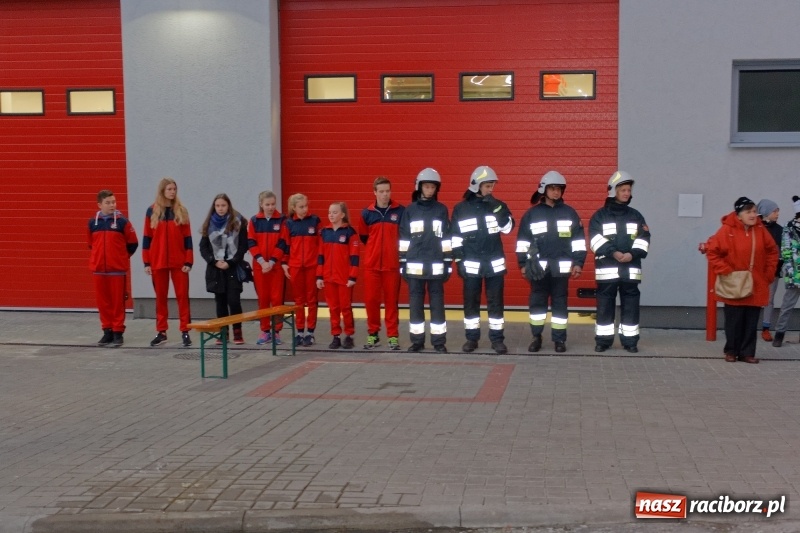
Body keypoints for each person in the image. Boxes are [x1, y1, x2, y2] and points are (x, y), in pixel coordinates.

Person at [516, 171, 586, 353]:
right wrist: (522, 264)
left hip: (560, 271)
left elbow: (578, 241)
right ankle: (536, 337)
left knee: (560, 306)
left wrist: (578, 263)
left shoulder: (570, 213)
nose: (556, 192)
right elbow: (522, 241)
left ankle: (559, 340)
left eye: (559, 189)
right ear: (543, 190)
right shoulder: (531, 214)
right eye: (553, 188)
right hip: (538, 270)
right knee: (537, 305)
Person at [705, 197, 778, 363]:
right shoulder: (726, 230)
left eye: (754, 211)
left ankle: (747, 353)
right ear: (739, 215)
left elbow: (772, 252)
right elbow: (713, 252)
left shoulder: (760, 230)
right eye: (748, 211)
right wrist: (726, 271)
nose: (753, 215)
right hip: (734, 283)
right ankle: (731, 351)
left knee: (751, 321)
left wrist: (768, 273)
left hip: (756, 282)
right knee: (734, 321)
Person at [451, 165, 514, 354]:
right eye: (487, 185)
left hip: (494, 265)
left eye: (492, 185)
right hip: (470, 266)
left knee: (496, 303)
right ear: (476, 185)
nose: (490, 189)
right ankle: (471, 339)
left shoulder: (498, 205)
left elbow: (508, 228)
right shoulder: (461, 209)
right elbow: (455, 238)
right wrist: (459, 261)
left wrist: (496, 207)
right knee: (471, 303)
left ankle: (497, 340)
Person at [588, 171, 650, 353]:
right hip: (607, 270)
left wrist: (633, 254)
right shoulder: (599, 216)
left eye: (628, 190)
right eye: (623, 189)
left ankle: (630, 342)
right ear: (612, 191)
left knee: (631, 307)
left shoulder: (636, 216)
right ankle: (603, 341)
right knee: (604, 307)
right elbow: (594, 239)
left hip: (630, 270)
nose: (626, 193)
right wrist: (613, 252)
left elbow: (644, 238)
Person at [398, 168, 452, 353]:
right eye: (427, 186)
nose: (430, 190)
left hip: (436, 267)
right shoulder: (410, 210)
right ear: (419, 187)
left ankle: (439, 342)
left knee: (437, 306)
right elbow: (404, 239)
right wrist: (402, 263)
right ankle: (417, 342)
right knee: (415, 307)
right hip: (414, 267)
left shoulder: (441, 209)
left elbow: (446, 238)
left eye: (433, 187)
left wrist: (448, 263)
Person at [143, 177, 193, 347]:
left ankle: (185, 331)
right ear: (162, 191)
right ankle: (161, 331)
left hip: (179, 262)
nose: (172, 192)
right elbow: (146, 238)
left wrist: (189, 261)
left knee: (182, 297)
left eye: (174, 189)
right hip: (157, 261)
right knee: (160, 298)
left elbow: (188, 238)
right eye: (169, 189)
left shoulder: (181, 211)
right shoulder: (152, 211)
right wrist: (146, 262)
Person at [359, 177, 405, 350]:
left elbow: (404, 236)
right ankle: (373, 334)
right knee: (371, 301)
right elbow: (364, 237)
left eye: (387, 191)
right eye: (381, 191)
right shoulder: (367, 214)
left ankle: (393, 336)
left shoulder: (400, 211)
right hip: (372, 266)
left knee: (391, 302)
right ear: (375, 192)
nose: (385, 195)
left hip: (392, 266)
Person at [88, 190, 138, 347]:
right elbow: (91, 245)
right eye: (108, 203)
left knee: (117, 303)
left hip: (117, 270)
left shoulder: (123, 222)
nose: (112, 205)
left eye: (114, 202)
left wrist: (121, 258)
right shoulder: (92, 223)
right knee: (103, 303)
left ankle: (118, 332)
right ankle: (107, 331)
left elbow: (133, 243)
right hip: (98, 270)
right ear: (99, 205)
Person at [199, 194, 249, 344]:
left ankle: (237, 332)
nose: (220, 209)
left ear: (229, 206)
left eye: (223, 205)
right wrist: (214, 261)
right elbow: (203, 247)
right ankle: (223, 333)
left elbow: (243, 246)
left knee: (233, 301)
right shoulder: (209, 224)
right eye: (217, 206)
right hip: (216, 269)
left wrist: (232, 262)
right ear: (214, 207)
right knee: (220, 302)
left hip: (232, 267)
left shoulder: (238, 222)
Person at [248, 191, 289, 345]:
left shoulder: (282, 220)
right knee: (263, 299)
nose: (271, 207)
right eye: (267, 204)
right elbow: (251, 242)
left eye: (273, 204)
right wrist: (261, 262)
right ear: (261, 204)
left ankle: (277, 331)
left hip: (276, 267)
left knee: (277, 299)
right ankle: (265, 331)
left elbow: (283, 243)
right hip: (260, 267)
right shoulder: (254, 221)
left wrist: (271, 262)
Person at [317, 201, 359, 349]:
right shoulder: (324, 232)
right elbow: (320, 256)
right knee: (333, 308)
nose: (331, 215)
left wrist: (352, 277)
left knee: (345, 308)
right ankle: (335, 336)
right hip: (329, 278)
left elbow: (354, 257)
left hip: (344, 279)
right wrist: (319, 276)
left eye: (334, 212)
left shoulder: (350, 232)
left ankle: (349, 335)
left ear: (342, 215)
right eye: (329, 212)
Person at [283, 193, 322, 347]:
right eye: (301, 207)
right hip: (296, 266)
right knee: (299, 301)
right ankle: (299, 332)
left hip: (312, 266)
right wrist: (284, 263)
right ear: (293, 208)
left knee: (312, 300)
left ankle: (310, 333)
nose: (305, 209)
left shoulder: (315, 221)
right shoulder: (289, 224)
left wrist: (320, 265)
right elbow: (285, 245)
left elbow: (321, 245)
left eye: (306, 206)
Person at [772, 196, 800, 348]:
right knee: (787, 306)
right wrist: (791, 273)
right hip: (794, 275)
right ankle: (779, 335)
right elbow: (786, 252)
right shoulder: (789, 228)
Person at [757, 199, 782, 342]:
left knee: (769, 299)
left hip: (773, 272)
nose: (777, 214)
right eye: (775, 211)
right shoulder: (757, 228)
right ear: (766, 212)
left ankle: (766, 328)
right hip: (757, 272)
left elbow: (781, 252)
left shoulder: (779, 230)